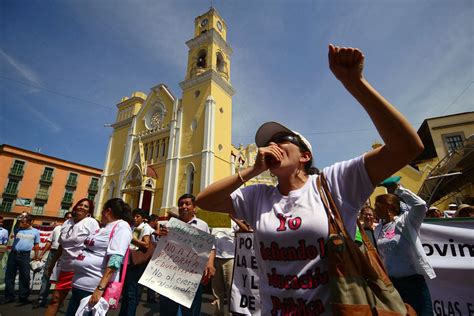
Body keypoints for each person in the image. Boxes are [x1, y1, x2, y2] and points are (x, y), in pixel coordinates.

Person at [195, 44, 424, 315]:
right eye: (268, 143)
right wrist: (251, 171)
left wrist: (355, 83)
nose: (271, 146)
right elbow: (205, 200)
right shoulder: (258, 196)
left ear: (305, 155)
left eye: (281, 140)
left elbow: (407, 147)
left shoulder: (334, 183)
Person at [374, 183, 435, 315]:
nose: (374, 209)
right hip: (393, 284)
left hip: (413, 282)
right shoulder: (378, 229)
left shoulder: (406, 221)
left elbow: (420, 205)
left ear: (389, 206)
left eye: (377, 206)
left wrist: (398, 190)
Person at [65, 198, 133, 316]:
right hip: (79, 286)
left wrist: (100, 289)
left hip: (93, 289)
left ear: (108, 211)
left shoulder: (121, 226)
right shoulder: (103, 227)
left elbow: (115, 259)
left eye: (102, 210)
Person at [159, 193, 216, 316]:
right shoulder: (169, 225)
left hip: (192, 276)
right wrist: (162, 236)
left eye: (187, 204)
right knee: (169, 309)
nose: (183, 206)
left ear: (194, 208)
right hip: (170, 276)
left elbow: (211, 247)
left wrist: (210, 263)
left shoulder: (202, 225)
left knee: (191, 310)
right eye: (180, 204)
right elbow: (161, 249)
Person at [45, 199, 99, 316]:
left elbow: (95, 245)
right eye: (80, 205)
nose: (82, 207)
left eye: (86, 206)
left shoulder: (91, 222)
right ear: (75, 207)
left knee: (79, 304)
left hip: (81, 270)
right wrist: (51, 264)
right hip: (65, 267)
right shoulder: (67, 223)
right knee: (55, 299)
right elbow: (61, 246)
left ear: (89, 211)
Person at [33, 212, 73, 309]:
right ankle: (41, 299)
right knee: (46, 275)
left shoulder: (73, 230)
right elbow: (49, 242)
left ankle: (58, 300)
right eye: (67, 217)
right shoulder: (57, 228)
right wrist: (41, 254)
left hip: (64, 255)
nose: (68, 219)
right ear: (64, 218)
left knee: (60, 278)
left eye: (71, 218)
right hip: (53, 253)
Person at [119, 208, 153, 316]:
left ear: (143, 218)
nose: (135, 218)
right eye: (134, 216)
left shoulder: (145, 227)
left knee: (132, 293)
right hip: (128, 262)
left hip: (136, 263)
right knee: (125, 292)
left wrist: (133, 240)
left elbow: (146, 244)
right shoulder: (133, 227)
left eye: (138, 216)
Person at [4, 213, 40, 304]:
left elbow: (36, 244)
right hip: (13, 254)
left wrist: (36, 255)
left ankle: (23, 297)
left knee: (25, 277)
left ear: (30, 222)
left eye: (23, 222)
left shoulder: (35, 231)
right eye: (21, 221)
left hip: (25, 256)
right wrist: (20, 216)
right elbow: (17, 223)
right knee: (9, 276)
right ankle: (9, 296)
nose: (21, 223)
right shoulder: (17, 229)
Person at [211, 220, 238, 316]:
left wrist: (235, 219)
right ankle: (218, 313)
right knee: (216, 291)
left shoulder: (233, 221)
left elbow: (243, 231)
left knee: (231, 289)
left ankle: (232, 313)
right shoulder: (213, 220)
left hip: (230, 258)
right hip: (215, 258)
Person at [146, 214, 160, 303]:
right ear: (153, 221)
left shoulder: (148, 228)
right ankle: (150, 297)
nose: (157, 223)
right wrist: (158, 227)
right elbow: (158, 233)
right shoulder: (148, 227)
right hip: (147, 257)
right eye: (156, 221)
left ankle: (150, 297)